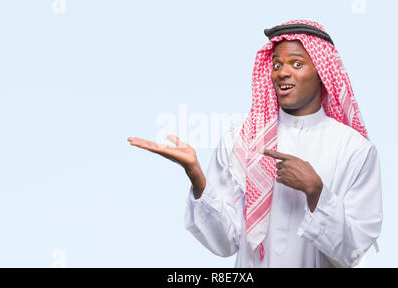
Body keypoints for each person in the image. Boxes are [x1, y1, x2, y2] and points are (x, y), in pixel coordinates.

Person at [127, 20, 382, 268]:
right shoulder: (241, 139)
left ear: (322, 74)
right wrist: (195, 173)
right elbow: (225, 241)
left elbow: (353, 251)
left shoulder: (355, 150)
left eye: (296, 63)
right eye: (277, 64)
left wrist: (316, 192)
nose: (282, 72)